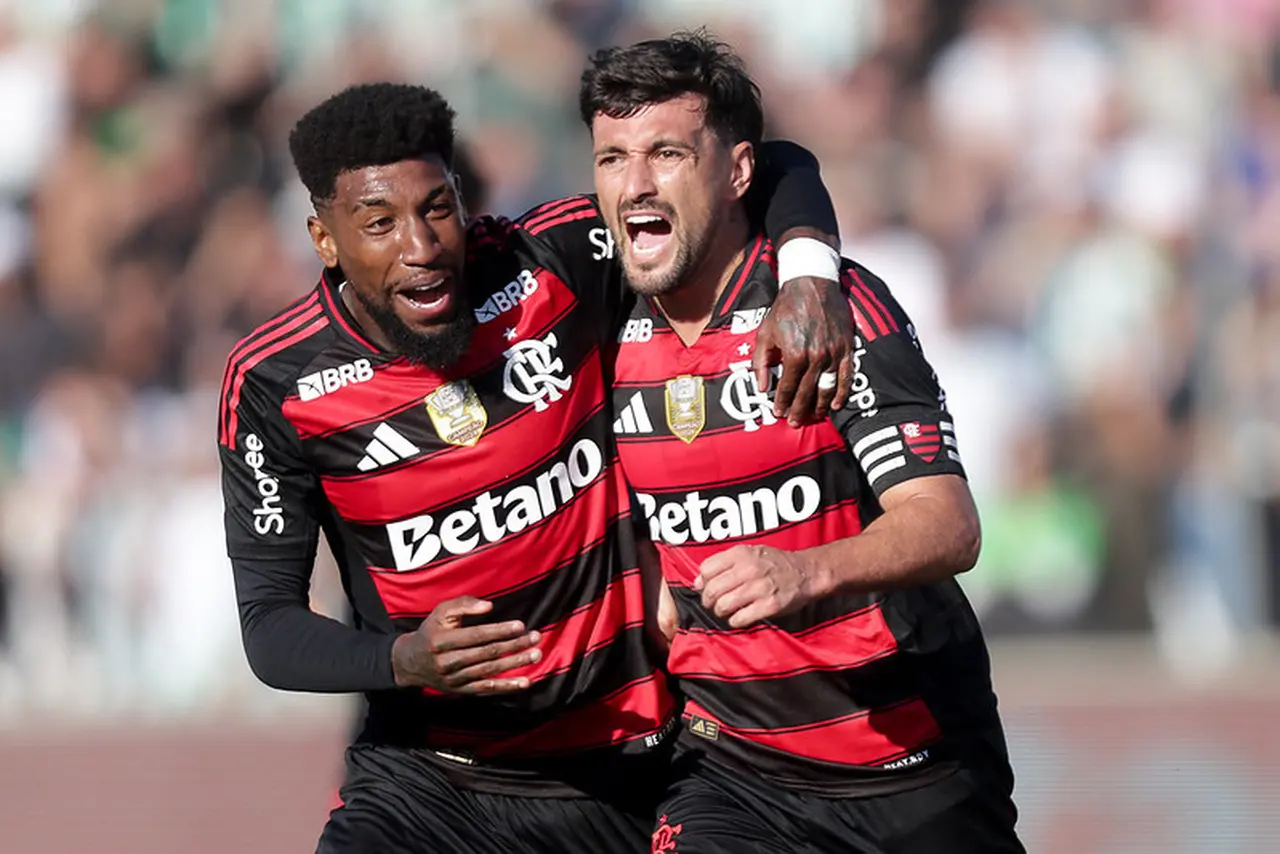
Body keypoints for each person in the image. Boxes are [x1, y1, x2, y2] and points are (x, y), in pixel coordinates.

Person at [217, 81, 852, 854]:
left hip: (623, 775)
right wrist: (403, 658)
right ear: (325, 240)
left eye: (436, 209)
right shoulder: (275, 382)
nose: (420, 247)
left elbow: (773, 163)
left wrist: (810, 274)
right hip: (431, 783)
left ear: (462, 196)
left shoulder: (554, 260)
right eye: (378, 224)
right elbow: (270, 629)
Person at [587, 32, 1024, 853]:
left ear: (738, 173)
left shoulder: (827, 311)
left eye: (668, 154)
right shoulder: (597, 313)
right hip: (730, 770)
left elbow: (948, 524)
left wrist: (807, 571)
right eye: (612, 158)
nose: (635, 184)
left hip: (908, 760)